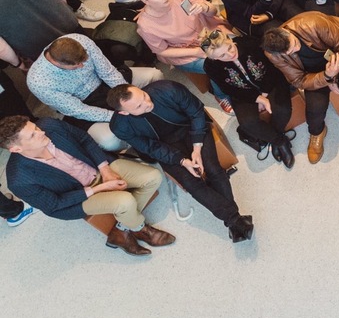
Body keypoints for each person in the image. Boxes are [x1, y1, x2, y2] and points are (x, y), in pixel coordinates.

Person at [0, 115, 171, 256]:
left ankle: (122, 229)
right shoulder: (19, 179)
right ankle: (139, 227)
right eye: (32, 135)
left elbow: (84, 139)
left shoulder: (50, 124)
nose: (41, 131)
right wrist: (100, 188)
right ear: (16, 149)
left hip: (96, 168)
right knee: (125, 201)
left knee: (153, 176)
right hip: (75, 197)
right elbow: (54, 204)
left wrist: (105, 169)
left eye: (35, 128)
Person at [108, 81, 253, 243]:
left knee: (213, 169)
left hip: (192, 129)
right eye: (139, 107)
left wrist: (197, 148)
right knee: (192, 183)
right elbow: (151, 148)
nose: (148, 104)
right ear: (124, 113)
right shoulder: (120, 127)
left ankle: (234, 222)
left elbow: (196, 112)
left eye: (143, 96)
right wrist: (182, 161)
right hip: (165, 147)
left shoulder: (168, 88)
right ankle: (235, 219)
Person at [261, 11, 339, 164]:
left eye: (294, 44)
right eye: (289, 52)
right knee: (314, 107)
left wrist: (334, 76)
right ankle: (317, 132)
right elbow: (299, 80)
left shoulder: (313, 23)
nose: (295, 50)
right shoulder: (274, 55)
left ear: (285, 31)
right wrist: (328, 78)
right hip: (316, 73)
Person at [26, 34, 164, 151]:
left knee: (154, 75)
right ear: (57, 63)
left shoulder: (80, 40)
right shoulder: (38, 82)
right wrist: (120, 116)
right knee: (109, 141)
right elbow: (79, 110)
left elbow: (108, 72)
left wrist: (126, 96)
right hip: (84, 103)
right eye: (76, 65)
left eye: (84, 61)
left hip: (106, 83)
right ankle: (139, 144)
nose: (82, 66)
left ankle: (161, 111)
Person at [200, 29, 296, 168]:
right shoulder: (210, 66)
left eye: (230, 47)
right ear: (214, 58)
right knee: (248, 123)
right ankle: (280, 141)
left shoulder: (250, 43)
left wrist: (263, 94)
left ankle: (274, 137)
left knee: (283, 110)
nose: (231, 54)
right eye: (222, 55)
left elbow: (272, 69)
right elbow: (229, 89)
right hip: (242, 92)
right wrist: (256, 99)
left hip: (269, 81)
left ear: (230, 39)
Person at [133, 0, 230, 74]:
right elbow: (161, 51)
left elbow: (213, 11)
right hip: (187, 51)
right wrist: (196, 52)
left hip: (207, 29)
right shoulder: (146, 25)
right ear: (146, 1)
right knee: (219, 67)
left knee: (232, 51)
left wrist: (205, 7)